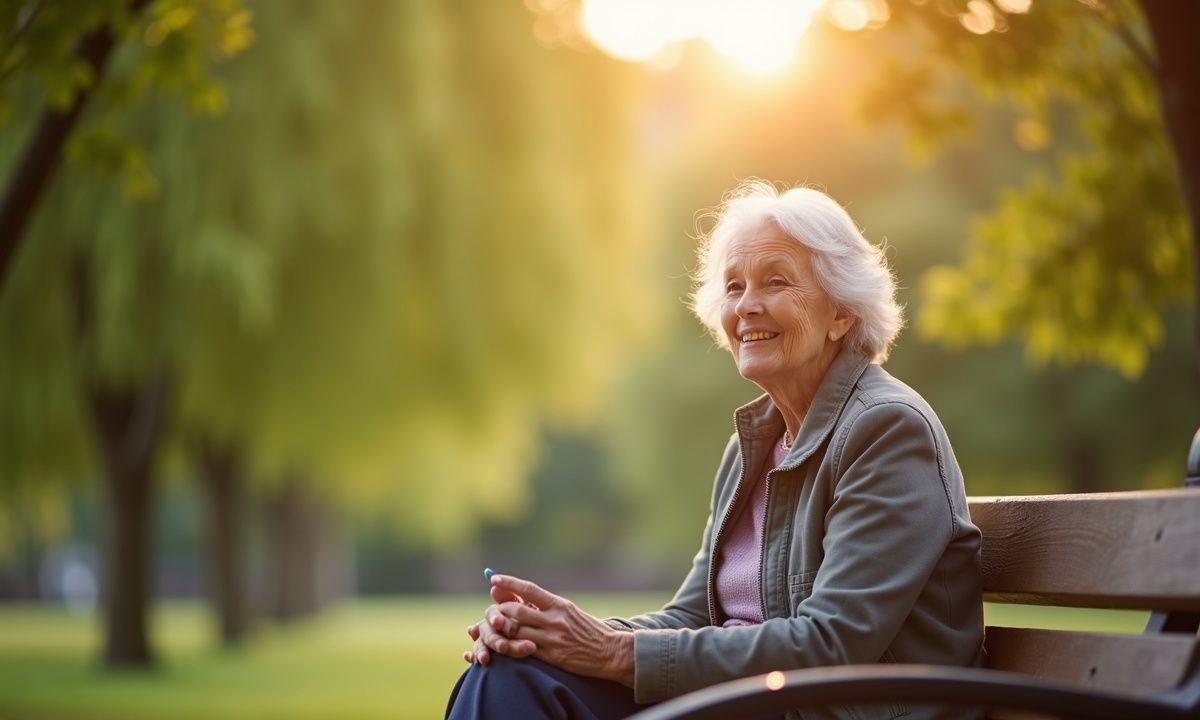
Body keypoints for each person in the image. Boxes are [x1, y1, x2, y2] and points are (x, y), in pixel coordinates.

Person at [445, 181, 984, 720]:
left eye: (775, 281)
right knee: (511, 671)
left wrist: (608, 650)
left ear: (841, 313)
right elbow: (693, 616)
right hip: (748, 703)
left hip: (822, 709)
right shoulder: (755, 445)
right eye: (733, 286)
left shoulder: (885, 431)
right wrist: (558, 634)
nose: (746, 306)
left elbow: (830, 645)